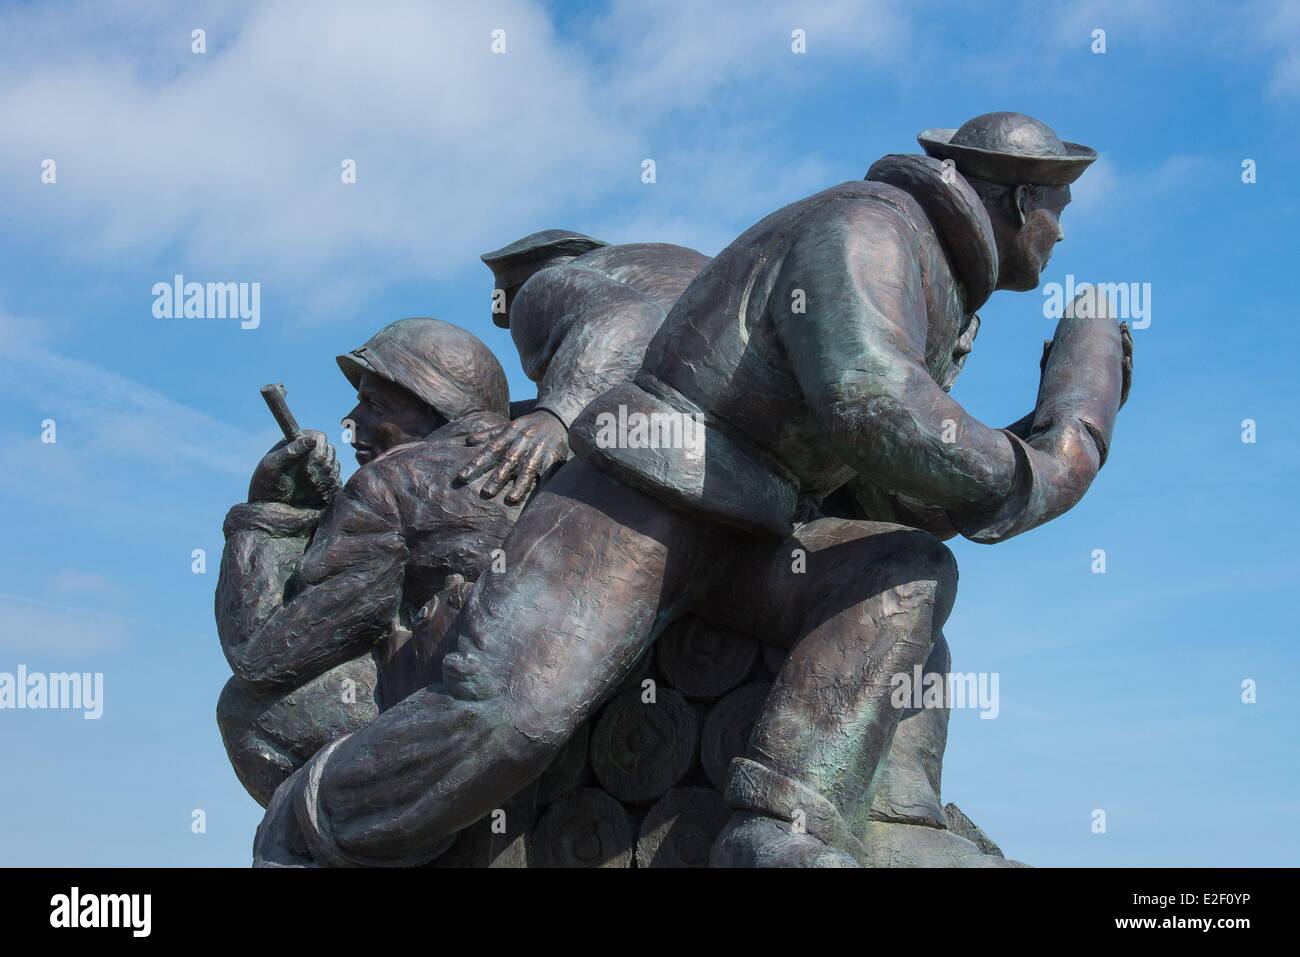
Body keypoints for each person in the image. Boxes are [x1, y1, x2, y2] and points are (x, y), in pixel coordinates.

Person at [263, 113, 1131, 867]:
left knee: (902, 570)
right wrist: (1045, 466)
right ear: (1020, 198)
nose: (1059, 235)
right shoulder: (874, 228)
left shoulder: (941, 285)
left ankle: (782, 823)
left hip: (756, 527)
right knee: (510, 715)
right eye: (1056, 210)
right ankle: (307, 821)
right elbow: (871, 399)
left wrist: (1064, 420)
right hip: (651, 492)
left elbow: (898, 484)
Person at [215, 318, 522, 812]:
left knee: (244, 707)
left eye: (375, 404)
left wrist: (269, 514)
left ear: (434, 406)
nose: (351, 419)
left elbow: (260, 654)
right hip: (528, 702)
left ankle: (339, 836)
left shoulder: (390, 482)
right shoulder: (528, 464)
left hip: (447, 726)